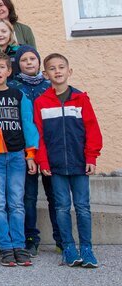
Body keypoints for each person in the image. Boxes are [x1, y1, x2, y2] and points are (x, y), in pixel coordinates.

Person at [34, 53, 103, 268]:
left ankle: (87, 249)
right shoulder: (41, 102)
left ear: (69, 71)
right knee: (62, 207)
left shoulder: (81, 99)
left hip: (80, 163)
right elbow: (39, 136)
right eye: (52, 68)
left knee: (82, 206)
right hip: (55, 166)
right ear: (45, 74)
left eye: (61, 67)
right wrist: (43, 162)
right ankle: (69, 248)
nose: (57, 71)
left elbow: (92, 130)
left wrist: (91, 156)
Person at [0, 51, 39, 267]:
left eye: (2, 67)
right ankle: (5, 245)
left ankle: (19, 245)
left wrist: (30, 154)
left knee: (16, 202)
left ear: (9, 71)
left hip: (17, 155)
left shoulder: (19, 95)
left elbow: (28, 124)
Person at [8, 45, 61, 255]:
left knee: (54, 195)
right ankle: (30, 237)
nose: (29, 63)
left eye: (32, 59)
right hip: (24, 149)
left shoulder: (50, 86)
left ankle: (61, 237)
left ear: (39, 62)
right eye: (24, 60)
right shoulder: (13, 87)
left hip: (50, 147)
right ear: (17, 64)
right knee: (27, 196)